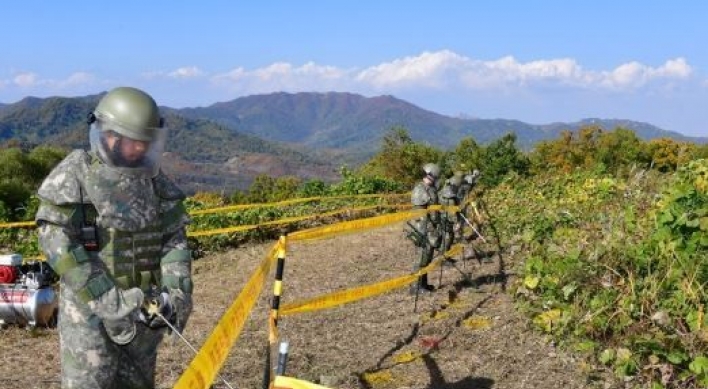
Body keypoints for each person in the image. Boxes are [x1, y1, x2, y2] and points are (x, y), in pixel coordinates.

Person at [35, 86, 192, 389]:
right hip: (89, 317)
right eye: (135, 141)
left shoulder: (155, 183)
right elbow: (57, 242)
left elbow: (175, 240)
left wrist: (176, 293)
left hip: (144, 312)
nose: (141, 149)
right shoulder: (76, 175)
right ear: (110, 136)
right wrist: (105, 297)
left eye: (147, 142)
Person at [409, 162, 441, 293]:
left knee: (427, 256)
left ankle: (423, 283)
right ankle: (415, 286)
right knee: (421, 258)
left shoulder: (431, 189)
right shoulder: (419, 190)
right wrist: (429, 229)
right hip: (422, 228)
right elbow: (420, 214)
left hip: (431, 227)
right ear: (430, 175)